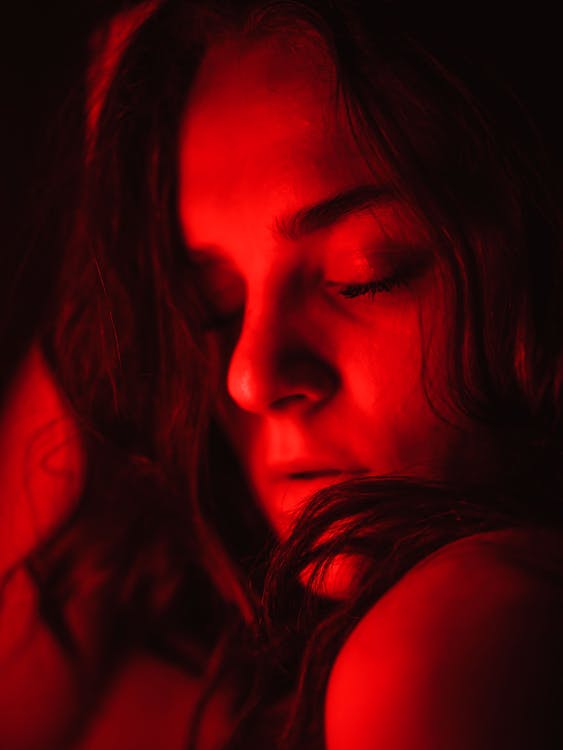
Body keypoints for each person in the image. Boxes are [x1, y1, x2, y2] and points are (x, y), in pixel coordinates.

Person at [4, 1, 562, 748]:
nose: (249, 375)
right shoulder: (231, 660)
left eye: (365, 275)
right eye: (212, 307)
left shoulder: (458, 629)